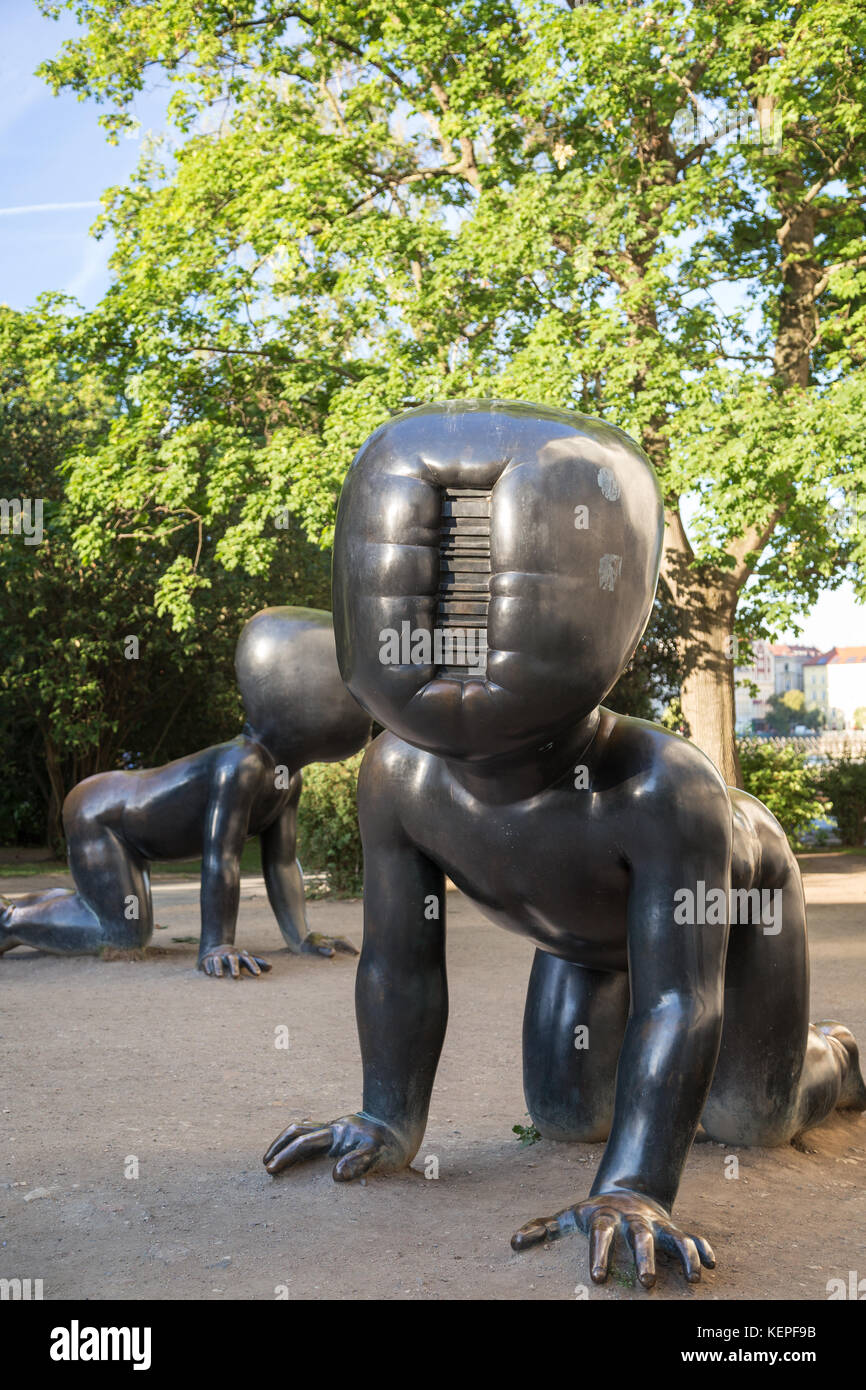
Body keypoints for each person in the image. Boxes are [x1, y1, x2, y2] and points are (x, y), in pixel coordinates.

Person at [263, 402, 866, 1288]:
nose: (453, 611)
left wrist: (633, 1187)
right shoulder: (399, 778)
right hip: (584, 934)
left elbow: (681, 999)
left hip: (734, 912)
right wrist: (387, 1118)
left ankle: (841, 1056)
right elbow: (399, 961)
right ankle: (663, 1100)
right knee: (562, 1112)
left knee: (751, 1118)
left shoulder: (664, 790)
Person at [1, 607, 371, 978]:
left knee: (113, 919)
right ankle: (9, 920)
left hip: (117, 810)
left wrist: (302, 936)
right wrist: (216, 944)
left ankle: (38, 910)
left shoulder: (286, 779)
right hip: (104, 815)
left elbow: (282, 863)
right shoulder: (241, 765)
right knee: (124, 934)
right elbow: (221, 859)